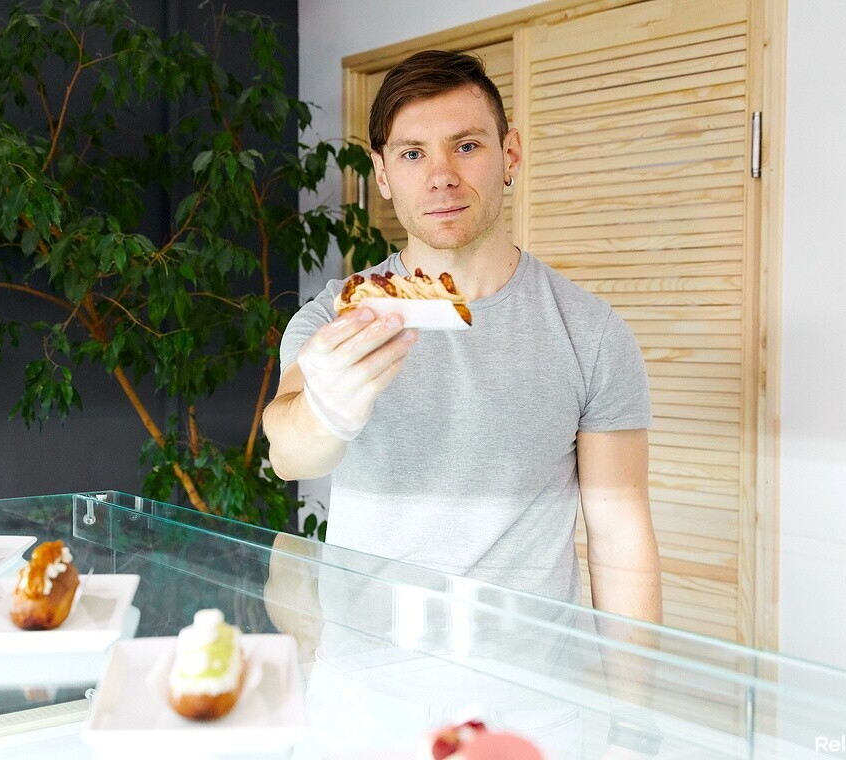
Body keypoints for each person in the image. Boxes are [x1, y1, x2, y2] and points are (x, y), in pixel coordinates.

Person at [262, 49, 661, 624]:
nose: (441, 175)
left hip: (530, 675)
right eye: (412, 153)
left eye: (467, 146)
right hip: (366, 668)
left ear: (510, 155)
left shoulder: (591, 332)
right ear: (382, 174)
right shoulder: (338, 315)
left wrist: (633, 685)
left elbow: (619, 531)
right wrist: (325, 410)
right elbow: (289, 456)